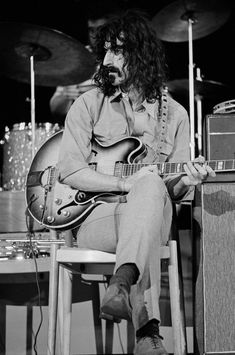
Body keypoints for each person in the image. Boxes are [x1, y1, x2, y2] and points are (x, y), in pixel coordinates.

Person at [57, 9, 216, 355]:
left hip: (148, 218)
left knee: (151, 187)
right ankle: (146, 331)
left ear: (141, 54)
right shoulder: (89, 104)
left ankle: (120, 284)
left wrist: (187, 180)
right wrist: (124, 185)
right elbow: (69, 170)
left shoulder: (174, 115)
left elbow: (171, 191)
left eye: (119, 51)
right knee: (143, 190)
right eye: (107, 51)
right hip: (95, 219)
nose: (108, 59)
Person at [49, 4, 123, 119]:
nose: (95, 35)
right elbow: (54, 108)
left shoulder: (122, 56)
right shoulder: (77, 58)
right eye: (91, 30)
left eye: (100, 30)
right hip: (83, 126)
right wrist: (65, 95)